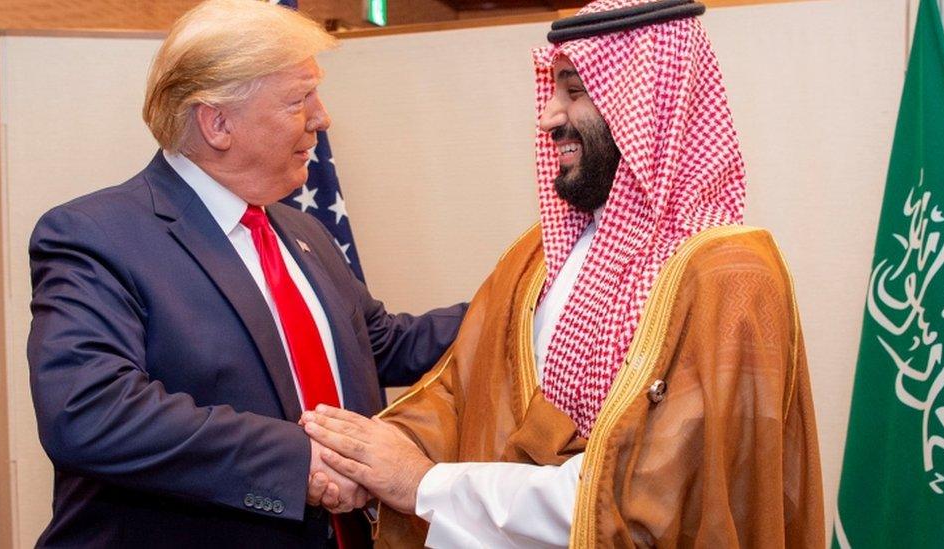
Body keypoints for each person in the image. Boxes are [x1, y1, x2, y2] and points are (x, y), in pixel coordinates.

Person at [301, 0, 825, 546]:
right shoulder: (538, 254)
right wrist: (364, 459)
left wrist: (427, 484)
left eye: (574, 92)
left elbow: (654, 503)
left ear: (644, 105)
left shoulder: (730, 280)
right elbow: (463, 393)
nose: (548, 116)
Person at [26, 0, 465, 547]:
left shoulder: (302, 232)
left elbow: (382, 345)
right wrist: (297, 461)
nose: (321, 117)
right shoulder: (96, 235)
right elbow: (88, 412)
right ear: (218, 122)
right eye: (298, 98)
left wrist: (526, 299)